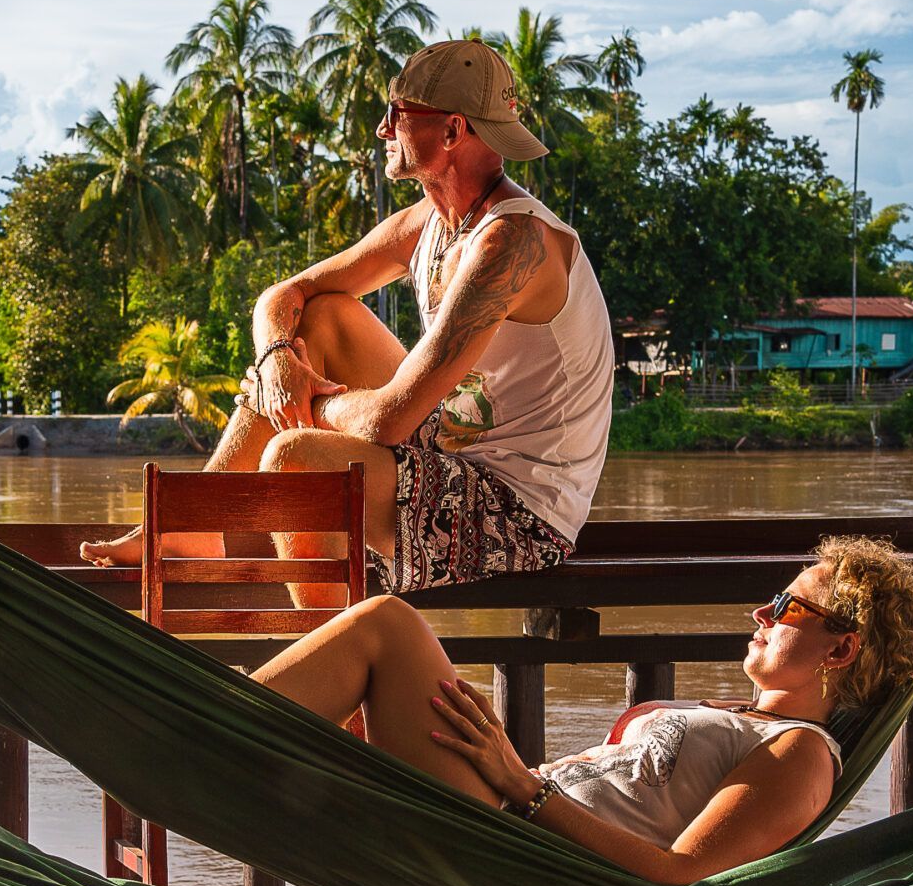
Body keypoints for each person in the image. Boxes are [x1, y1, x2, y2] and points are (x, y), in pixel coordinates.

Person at [82, 37, 615, 592]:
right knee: (322, 317)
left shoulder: (513, 242)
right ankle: (189, 523)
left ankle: (325, 650)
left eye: (396, 114)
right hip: (453, 447)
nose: (383, 130)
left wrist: (307, 397)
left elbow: (390, 420)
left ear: (453, 131)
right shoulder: (430, 224)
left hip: (519, 511)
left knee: (294, 459)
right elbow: (284, 296)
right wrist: (277, 360)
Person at [254, 535, 913, 886]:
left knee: (386, 625)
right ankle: (193, 727)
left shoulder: (799, 753)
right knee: (377, 636)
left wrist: (523, 787)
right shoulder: (747, 720)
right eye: (771, 599)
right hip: (496, 816)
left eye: (790, 607)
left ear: (839, 651)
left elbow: (682, 875)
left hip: (509, 852)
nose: (762, 614)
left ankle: (182, 733)